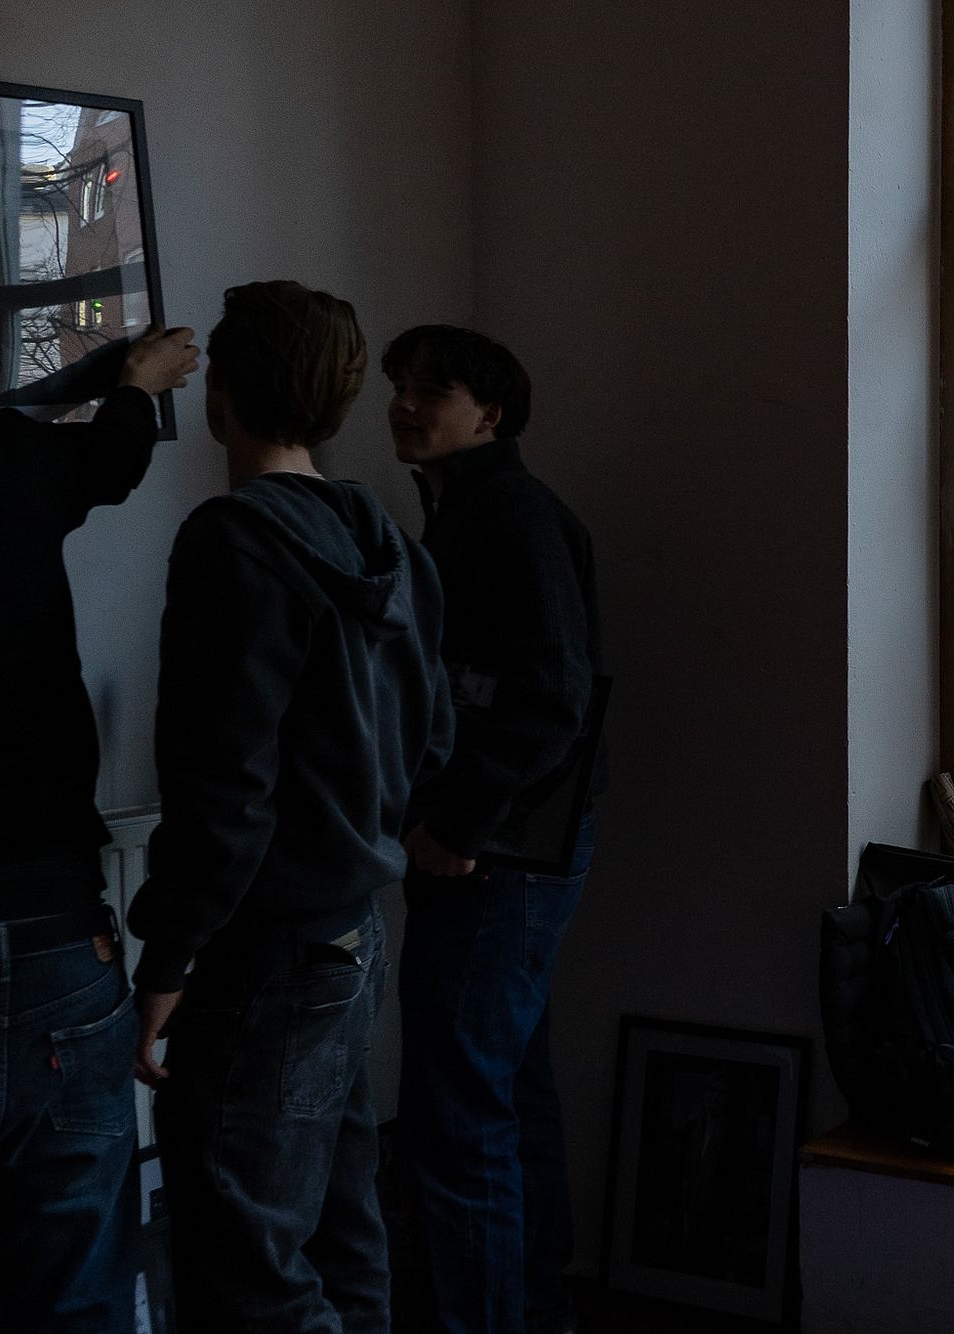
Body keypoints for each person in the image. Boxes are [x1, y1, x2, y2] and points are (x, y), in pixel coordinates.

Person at [126, 280, 450, 1331]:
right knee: (344, 1239)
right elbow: (433, 740)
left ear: (220, 388)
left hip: (264, 954)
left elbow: (225, 789)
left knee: (246, 1268)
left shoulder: (231, 539)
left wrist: (167, 959)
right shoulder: (388, 540)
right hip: (353, 935)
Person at [384, 324, 603, 1334]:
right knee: (504, 1093)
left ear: (492, 414)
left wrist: (460, 822)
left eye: (432, 389)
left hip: (496, 850)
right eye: (400, 384)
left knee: (460, 1115)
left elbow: (553, 694)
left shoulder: (507, 517)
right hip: (508, 844)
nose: (404, 403)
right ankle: (534, 1310)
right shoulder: (478, 512)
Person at [0, 325, 196, 1333]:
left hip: (45, 922)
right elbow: (107, 463)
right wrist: (137, 385)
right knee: (75, 1286)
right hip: (44, 916)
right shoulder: (8, 458)